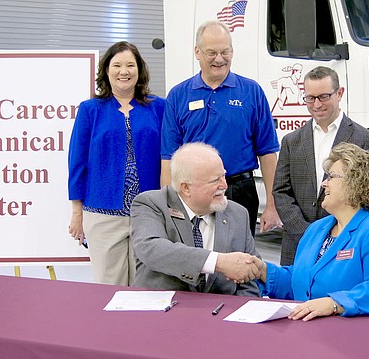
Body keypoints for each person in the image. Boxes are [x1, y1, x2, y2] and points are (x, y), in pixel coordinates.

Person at [255, 143, 369, 319]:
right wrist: (263, 272)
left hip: (354, 338)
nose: (324, 184)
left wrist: (335, 303)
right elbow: (301, 281)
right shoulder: (316, 229)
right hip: (308, 336)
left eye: (331, 177)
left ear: (355, 183)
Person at [160, 20, 281, 235]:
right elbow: (168, 158)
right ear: (197, 52)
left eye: (225, 52)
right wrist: (169, 207)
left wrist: (272, 206)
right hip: (193, 193)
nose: (219, 59)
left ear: (232, 51)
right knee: (197, 260)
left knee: (240, 260)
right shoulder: (178, 96)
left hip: (239, 191)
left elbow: (268, 153)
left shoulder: (251, 92)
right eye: (211, 52)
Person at [67, 41, 165, 285]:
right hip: (103, 214)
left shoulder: (159, 107)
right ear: (107, 71)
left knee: (146, 285)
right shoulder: (90, 110)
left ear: (139, 70)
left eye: (130, 65)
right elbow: (77, 163)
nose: (124, 71)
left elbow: (169, 158)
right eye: (117, 65)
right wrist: (76, 212)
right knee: (109, 286)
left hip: (148, 213)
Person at [274, 66, 369, 266]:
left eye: (323, 97)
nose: (316, 104)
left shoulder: (364, 139)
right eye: (310, 98)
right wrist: (306, 233)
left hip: (343, 245)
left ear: (340, 93)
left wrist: (339, 232)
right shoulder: (291, 141)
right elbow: (280, 191)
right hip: (298, 245)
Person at [131, 142, 261, 296]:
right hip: (162, 312)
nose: (224, 185)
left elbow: (249, 281)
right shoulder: (151, 204)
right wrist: (218, 262)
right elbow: (151, 248)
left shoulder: (238, 214)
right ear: (186, 188)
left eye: (223, 176)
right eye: (214, 181)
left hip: (219, 313)